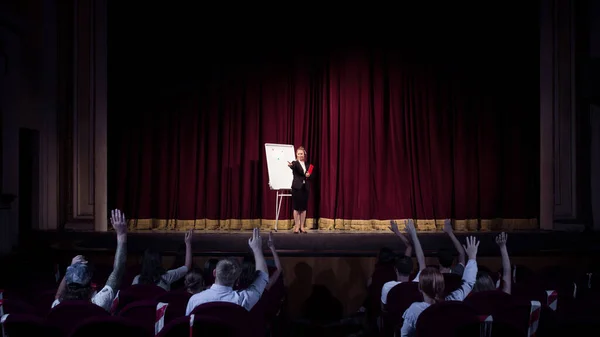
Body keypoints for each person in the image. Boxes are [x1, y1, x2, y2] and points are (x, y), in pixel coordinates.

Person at [400, 236, 480, 337]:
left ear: (420, 288)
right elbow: (468, 283)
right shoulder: (453, 301)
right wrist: (472, 257)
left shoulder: (415, 309)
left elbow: (405, 335)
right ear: (442, 286)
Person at [53, 209, 128, 311]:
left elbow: (58, 295)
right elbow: (118, 271)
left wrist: (71, 269)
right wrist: (121, 235)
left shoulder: (58, 306)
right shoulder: (98, 302)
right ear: (90, 284)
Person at [185, 228, 269, 314]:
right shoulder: (242, 300)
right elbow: (263, 276)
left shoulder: (195, 300)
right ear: (237, 279)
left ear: (214, 273)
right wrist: (257, 249)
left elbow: (188, 324)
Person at [287, 146, 312, 234]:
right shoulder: (295, 163)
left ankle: (302, 226)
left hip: (305, 188)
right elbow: (293, 166)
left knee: (303, 208)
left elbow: (310, 175)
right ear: (296, 155)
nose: (300, 155)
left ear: (304, 154)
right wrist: (290, 165)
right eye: (298, 154)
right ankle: (297, 226)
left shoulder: (308, 165)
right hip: (297, 188)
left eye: (301, 154)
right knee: (296, 207)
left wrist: (309, 175)